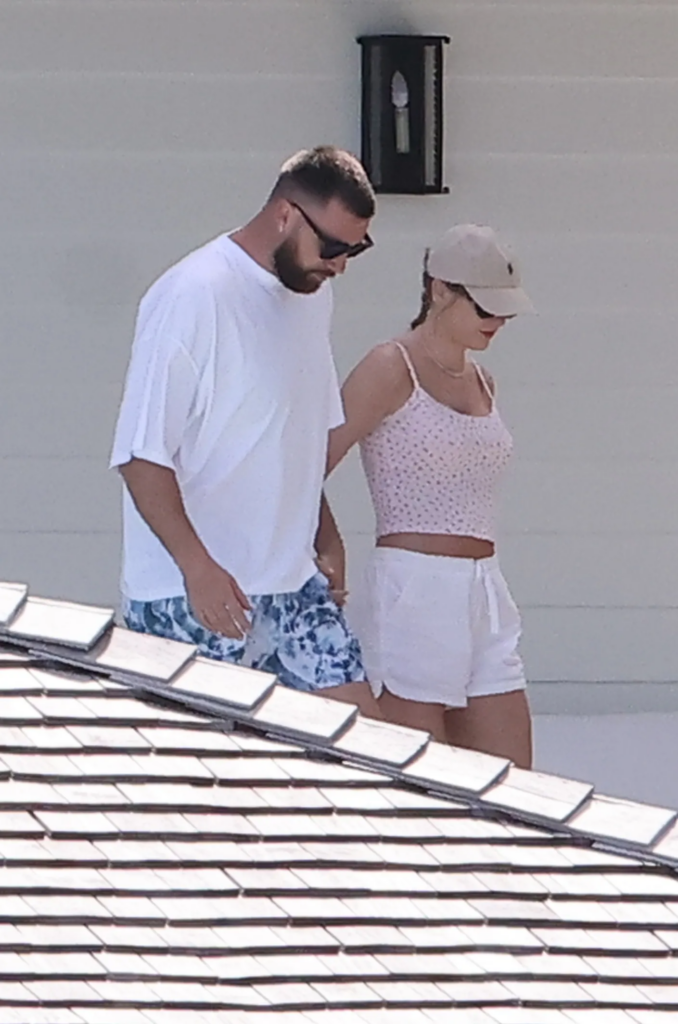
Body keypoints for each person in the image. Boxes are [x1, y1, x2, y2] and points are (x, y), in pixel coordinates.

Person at [110, 145, 380, 716]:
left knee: (367, 745)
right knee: (203, 767)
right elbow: (140, 457)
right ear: (284, 214)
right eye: (333, 248)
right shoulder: (192, 295)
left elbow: (291, 436)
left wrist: (325, 534)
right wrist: (197, 568)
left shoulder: (312, 297)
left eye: (356, 250)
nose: (339, 266)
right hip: (190, 595)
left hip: (292, 586)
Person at [327, 224, 534, 765]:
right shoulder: (390, 366)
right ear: (440, 289)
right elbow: (306, 467)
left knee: (514, 782)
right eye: (485, 307)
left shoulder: (483, 380)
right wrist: (327, 547)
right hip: (413, 589)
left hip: (484, 590)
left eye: (505, 311)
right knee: (423, 779)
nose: (497, 321)